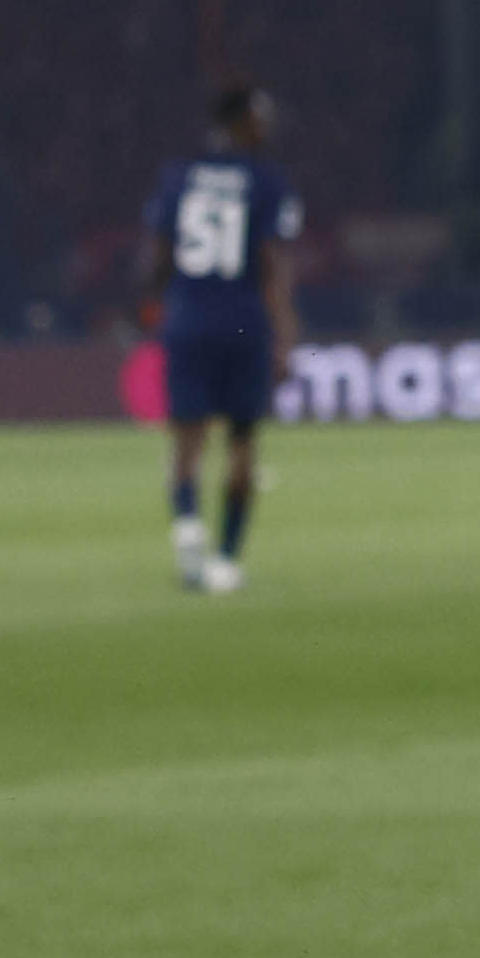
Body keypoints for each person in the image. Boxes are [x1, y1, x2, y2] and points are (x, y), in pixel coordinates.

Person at [149, 85, 304, 597]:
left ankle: (188, 530)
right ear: (238, 121)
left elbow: (159, 254)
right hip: (242, 320)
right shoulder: (266, 180)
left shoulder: (179, 175)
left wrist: (156, 305)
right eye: (260, 116)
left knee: (186, 439)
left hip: (188, 315)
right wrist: (285, 333)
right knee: (242, 440)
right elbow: (271, 263)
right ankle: (226, 560)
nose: (267, 126)